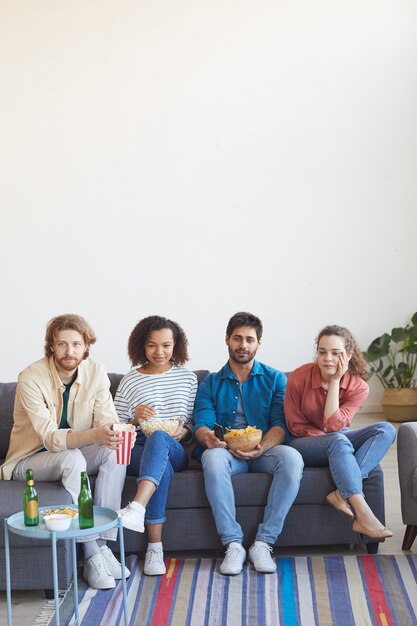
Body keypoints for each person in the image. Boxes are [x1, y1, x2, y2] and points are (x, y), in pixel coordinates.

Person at [0, 314, 130, 590]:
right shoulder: (31, 377)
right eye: (62, 345)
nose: (69, 352)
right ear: (52, 346)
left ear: (86, 346)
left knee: (113, 451)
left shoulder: (96, 371)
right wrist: (94, 435)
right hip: (29, 459)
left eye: (76, 344)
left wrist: (112, 430)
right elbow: (48, 438)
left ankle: (104, 544)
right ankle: (91, 552)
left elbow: (106, 418)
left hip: (77, 454)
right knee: (72, 458)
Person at [193, 312, 304, 575]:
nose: (243, 345)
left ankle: (264, 543)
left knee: (292, 458)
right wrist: (207, 437)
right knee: (211, 458)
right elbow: (202, 422)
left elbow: (281, 423)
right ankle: (233, 543)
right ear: (227, 340)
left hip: (264, 451)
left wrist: (262, 447)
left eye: (249, 340)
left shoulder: (276, 379)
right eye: (237, 338)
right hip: (228, 453)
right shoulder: (210, 382)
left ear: (259, 343)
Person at [284, 324, 396, 540]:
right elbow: (295, 426)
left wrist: (335, 381)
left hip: (338, 442)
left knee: (385, 429)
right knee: (338, 440)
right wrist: (329, 439)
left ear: (349, 355)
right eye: (322, 352)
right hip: (302, 445)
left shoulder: (359, 387)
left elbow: (333, 425)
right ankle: (363, 514)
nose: (327, 358)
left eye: (336, 353)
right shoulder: (298, 377)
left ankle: (341, 492)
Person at [114, 315, 198, 576]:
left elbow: (196, 422)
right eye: (152, 345)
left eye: (166, 345)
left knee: (160, 439)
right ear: (142, 346)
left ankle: (137, 507)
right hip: (139, 447)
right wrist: (134, 417)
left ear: (176, 346)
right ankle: (154, 549)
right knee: (162, 469)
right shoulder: (130, 380)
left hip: (175, 448)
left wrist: (184, 430)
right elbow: (116, 425)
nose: (159, 352)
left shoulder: (188, 379)